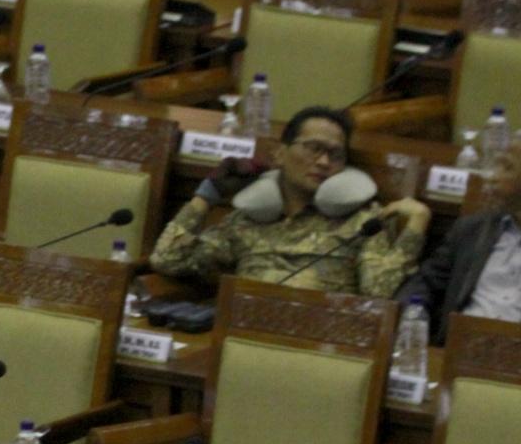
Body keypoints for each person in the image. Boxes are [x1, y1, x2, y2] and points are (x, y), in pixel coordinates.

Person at [151, 106, 429, 299]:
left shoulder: (363, 221)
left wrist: (415, 226)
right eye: (314, 149)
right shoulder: (246, 221)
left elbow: (380, 292)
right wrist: (207, 194)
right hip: (245, 334)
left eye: (335, 155)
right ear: (280, 154)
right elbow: (167, 260)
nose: (324, 162)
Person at [410, 142, 521, 340]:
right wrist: (412, 317)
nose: (493, 177)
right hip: (461, 347)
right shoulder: (471, 230)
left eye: (507, 167)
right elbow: (425, 282)